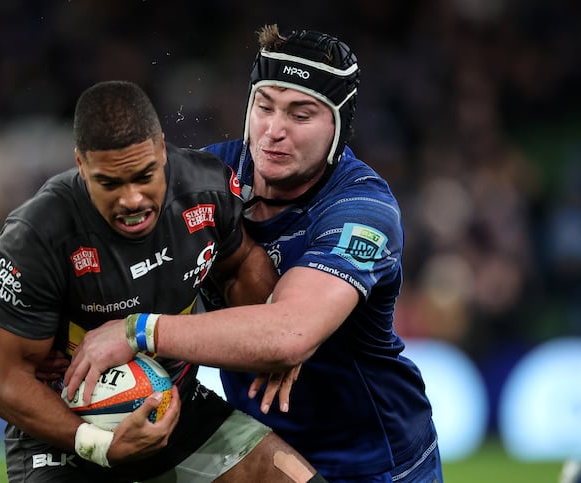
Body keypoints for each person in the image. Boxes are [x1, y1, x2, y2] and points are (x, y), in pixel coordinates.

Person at [64, 26, 444, 482]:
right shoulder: (204, 178)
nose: (273, 131)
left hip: (372, 464)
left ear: (338, 126)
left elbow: (289, 335)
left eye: (301, 116)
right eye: (264, 107)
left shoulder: (362, 209)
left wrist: (139, 330)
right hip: (255, 452)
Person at [0, 79, 328, 483]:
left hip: (177, 406)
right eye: (109, 183)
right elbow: (2, 379)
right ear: (81, 165)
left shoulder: (207, 190)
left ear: (163, 149)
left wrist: (270, 332)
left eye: (145, 175)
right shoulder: (38, 235)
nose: (132, 199)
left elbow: (241, 262)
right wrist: (98, 444)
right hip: (67, 434)